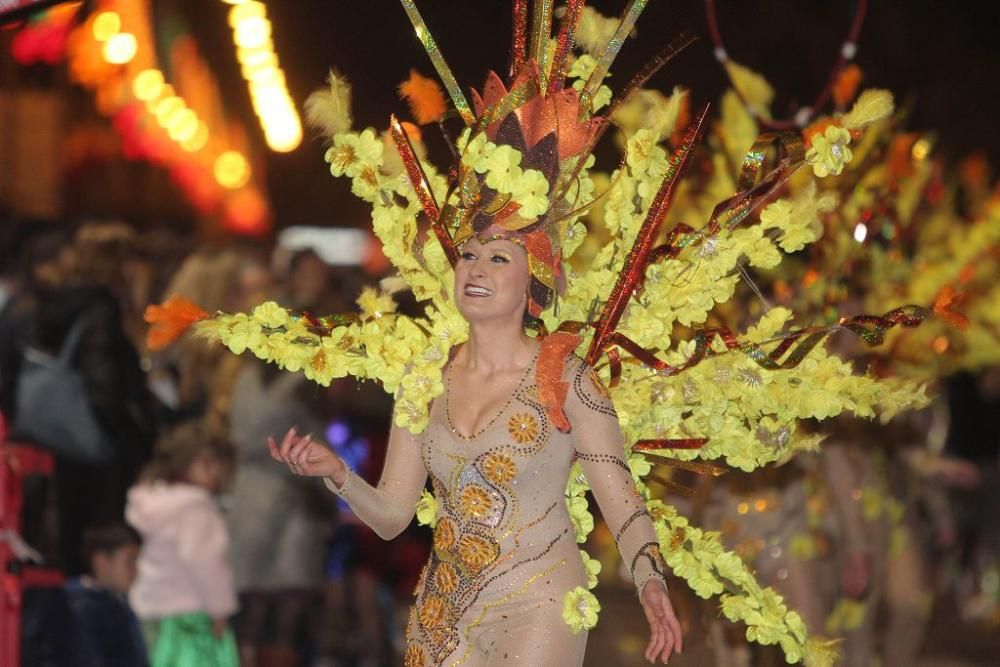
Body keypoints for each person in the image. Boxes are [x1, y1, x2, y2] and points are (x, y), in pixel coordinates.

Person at [269, 234, 683, 666]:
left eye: (499, 258)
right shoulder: (424, 379)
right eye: (469, 255)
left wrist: (649, 579)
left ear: (531, 284)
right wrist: (339, 475)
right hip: (444, 606)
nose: (477, 268)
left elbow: (621, 502)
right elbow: (392, 517)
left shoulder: (568, 379)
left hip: (538, 600)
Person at [126, 420, 239, 667]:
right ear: (183, 462)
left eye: (217, 464)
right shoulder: (196, 509)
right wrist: (220, 609)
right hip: (190, 616)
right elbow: (206, 563)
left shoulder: (158, 502)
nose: (216, 472)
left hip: (151, 611)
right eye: (208, 464)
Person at [63, 523, 148, 667]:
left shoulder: (116, 601)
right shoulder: (81, 607)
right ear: (101, 561)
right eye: (130, 562)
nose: (136, 571)